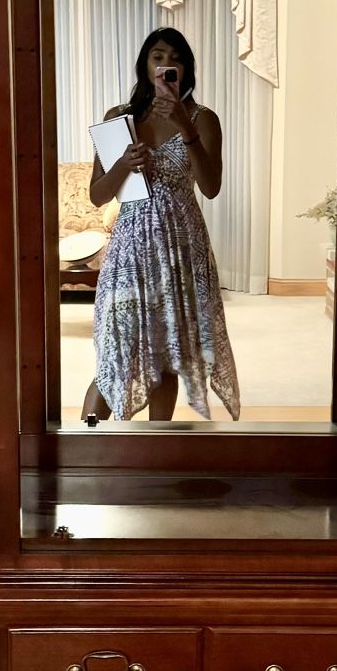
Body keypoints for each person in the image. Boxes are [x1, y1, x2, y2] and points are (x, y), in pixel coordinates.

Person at [82, 27, 240, 422]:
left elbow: (211, 187)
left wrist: (187, 129)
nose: (166, 64)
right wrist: (122, 165)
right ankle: (91, 447)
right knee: (115, 352)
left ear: (185, 70)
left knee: (167, 356)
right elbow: (98, 195)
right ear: (145, 66)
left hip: (181, 251)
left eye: (175, 58)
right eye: (157, 56)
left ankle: (153, 449)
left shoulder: (204, 120)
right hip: (130, 250)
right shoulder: (117, 119)